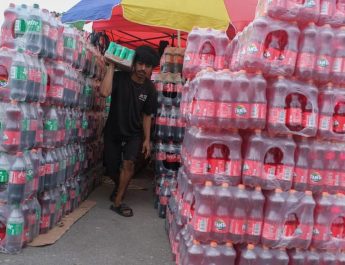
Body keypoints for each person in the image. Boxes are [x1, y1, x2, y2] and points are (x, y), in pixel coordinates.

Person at [100, 45, 159, 217]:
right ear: (134, 63)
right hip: (113, 130)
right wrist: (112, 65)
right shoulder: (120, 77)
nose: (143, 69)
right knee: (111, 168)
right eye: (140, 64)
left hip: (134, 133)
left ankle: (118, 201)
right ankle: (120, 186)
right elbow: (104, 92)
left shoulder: (150, 89)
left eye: (147, 66)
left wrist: (147, 139)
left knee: (129, 164)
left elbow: (147, 115)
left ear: (151, 69)